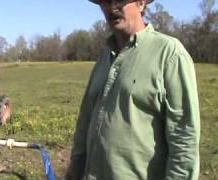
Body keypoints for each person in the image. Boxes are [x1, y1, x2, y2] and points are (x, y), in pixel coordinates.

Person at [65, 0, 200, 179]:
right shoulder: (104, 56)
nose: (111, 8)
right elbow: (85, 120)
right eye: (105, 2)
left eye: (119, 1)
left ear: (142, 4)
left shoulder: (169, 54)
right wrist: (74, 170)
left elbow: (184, 138)